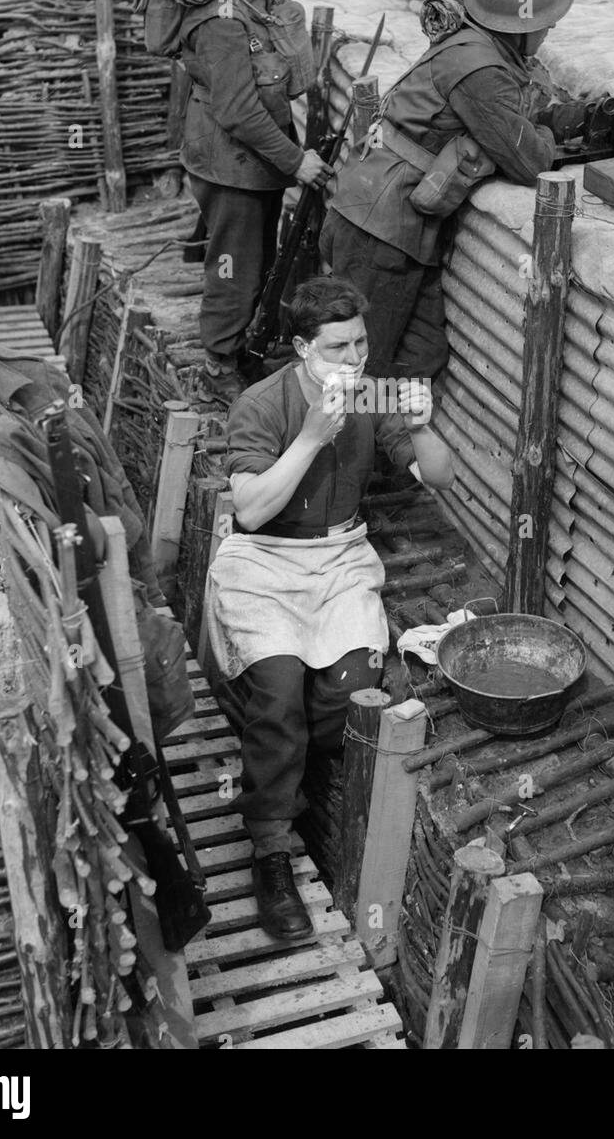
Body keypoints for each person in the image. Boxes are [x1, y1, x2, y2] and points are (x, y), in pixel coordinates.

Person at [204, 276, 453, 940]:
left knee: (348, 689)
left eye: (360, 342)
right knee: (279, 690)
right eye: (337, 345)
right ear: (300, 348)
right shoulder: (262, 404)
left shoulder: (371, 397)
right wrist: (312, 436)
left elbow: (437, 475)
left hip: (340, 560)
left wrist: (423, 429)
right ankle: (270, 846)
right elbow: (252, 509)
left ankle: (289, 772)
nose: (353, 358)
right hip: (264, 559)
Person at [319, 0, 577, 382]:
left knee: (421, 357)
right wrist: (551, 135)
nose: (548, 33)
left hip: (381, 217)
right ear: (523, 28)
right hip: (381, 229)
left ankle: (392, 445)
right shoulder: (480, 69)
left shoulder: (472, 45)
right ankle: (334, 447)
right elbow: (529, 161)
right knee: (359, 368)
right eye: (545, 25)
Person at [173, 0, 333, 405]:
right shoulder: (222, 20)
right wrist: (296, 162)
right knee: (233, 267)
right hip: (231, 166)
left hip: (248, 165)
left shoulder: (255, 1)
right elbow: (239, 112)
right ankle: (219, 366)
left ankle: (242, 350)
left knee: (254, 260)